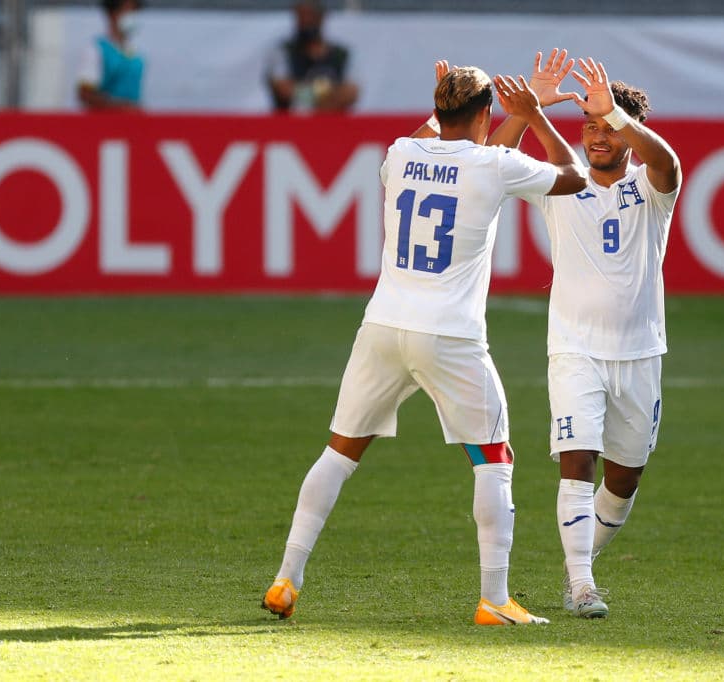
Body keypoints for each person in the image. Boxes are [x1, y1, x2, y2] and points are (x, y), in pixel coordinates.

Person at [261, 63, 587, 625]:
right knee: (493, 458)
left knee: (339, 451)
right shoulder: (493, 163)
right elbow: (574, 176)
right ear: (487, 114)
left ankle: (286, 578)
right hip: (450, 334)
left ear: (438, 109)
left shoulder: (400, 153)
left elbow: (469, 155)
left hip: (384, 326)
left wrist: (482, 108)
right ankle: (495, 599)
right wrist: (533, 115)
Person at [489, 50, 682, 618]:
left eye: (609, 127)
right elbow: (491, 161)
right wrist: (529, 111)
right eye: (591, 126)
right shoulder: (560, 179)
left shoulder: (652, 189)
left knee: (625, 478)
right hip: (573, 349)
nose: (598, 137)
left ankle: (582, 563)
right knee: (577, 459)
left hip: (641, 353)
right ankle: (580, 585)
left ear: (628, 131)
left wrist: (620, 117)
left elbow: (668, 162)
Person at [266, 0, 358, 113]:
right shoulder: (282, 51)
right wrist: (324, 97)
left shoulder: (341, 55)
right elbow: (284, 89)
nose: (305, 22)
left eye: (310, 16)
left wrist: (311, 99)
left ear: (321, 17)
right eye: (300, 17)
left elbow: (351, 92)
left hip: (334, 125)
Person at [77, 0, 144, 111]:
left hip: (131, 123)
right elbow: (85, 94)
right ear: (112, 13)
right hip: (103, 123)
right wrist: (121, 107)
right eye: (128, 11)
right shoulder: (96, 50)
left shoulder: (136, 54)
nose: (133, 16)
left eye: (135, 11)